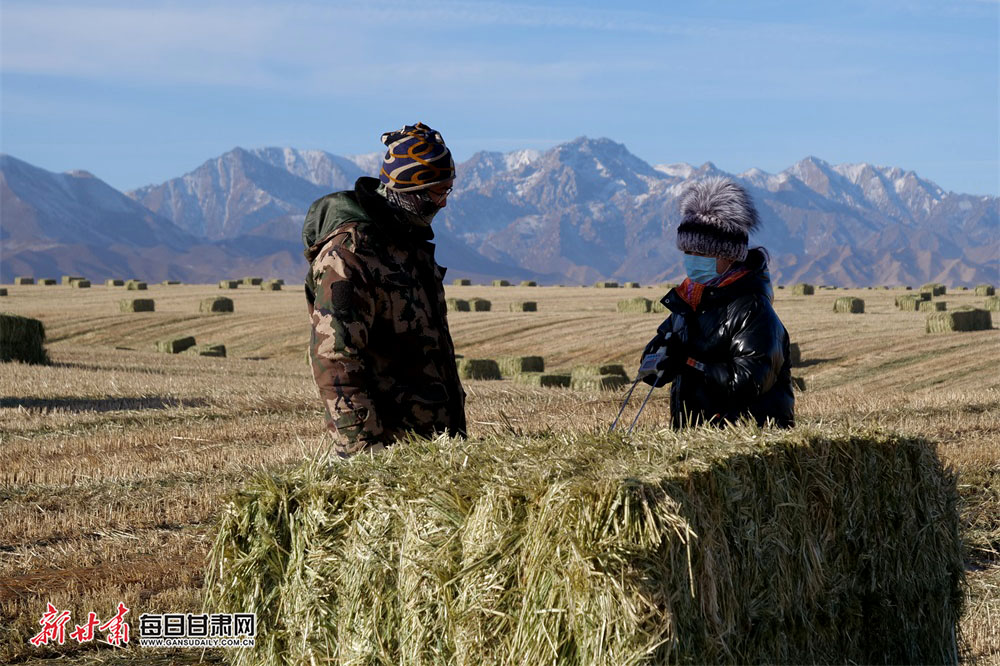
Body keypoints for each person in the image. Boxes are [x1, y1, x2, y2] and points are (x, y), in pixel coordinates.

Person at [302, 122, 466, 457]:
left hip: (431, 448)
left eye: (448, 191)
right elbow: (336, 360)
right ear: (410, 191)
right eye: (438, 193)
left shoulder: (409, 244)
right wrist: (365, 452)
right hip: (388, 454)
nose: (444, 204)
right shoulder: (349, 256)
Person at [642, 177, 794, 428]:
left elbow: (749, 381)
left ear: (729, 255)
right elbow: (651, 371)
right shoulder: (688, 302)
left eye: (702, 253)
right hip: (695, 439)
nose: (692, 260)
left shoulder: (752, 309)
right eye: (688, 252)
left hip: (746, 444)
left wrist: (689, 363)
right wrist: (659, 358)